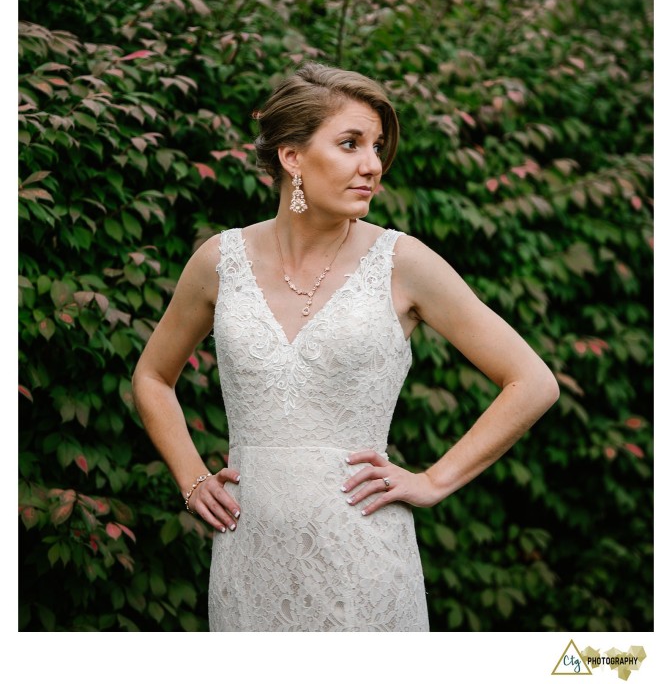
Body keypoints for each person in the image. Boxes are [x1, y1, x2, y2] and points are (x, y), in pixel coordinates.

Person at [132, 62, 559, 632]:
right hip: (247, 561)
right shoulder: (220, 261)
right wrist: (191, 478)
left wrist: (434, 481)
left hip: (364, 562)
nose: (373, 165)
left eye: (378, 147)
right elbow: (152, 377)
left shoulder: (403, 263)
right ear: (292, 157)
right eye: (351, 143)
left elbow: (532, 382)